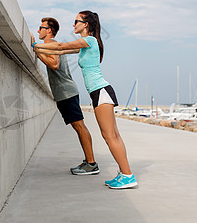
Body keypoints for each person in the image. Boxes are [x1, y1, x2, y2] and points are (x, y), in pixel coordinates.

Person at [32, 11, 137, 189]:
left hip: (101, 91)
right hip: (100, 92)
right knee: (114, 136)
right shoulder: (85, 44)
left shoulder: (89, 41)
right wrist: (38, 47)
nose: (73, 25)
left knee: (110, 137)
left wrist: (34, 44)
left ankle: (128, 175)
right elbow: (62, 48)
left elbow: (59, 47)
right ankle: (124, 173)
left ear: (85, 24)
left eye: (76, 22)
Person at [31, 17, 99, 175]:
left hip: (66, 92)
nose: (38, 31)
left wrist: (35, 47)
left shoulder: (49, 43)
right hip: (65, 92)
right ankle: (89, 161)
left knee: (80, 127)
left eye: (41, 28)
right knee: (79, 127)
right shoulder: (49, 44)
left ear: (49, 31)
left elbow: (54, 64)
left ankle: (91, 163)